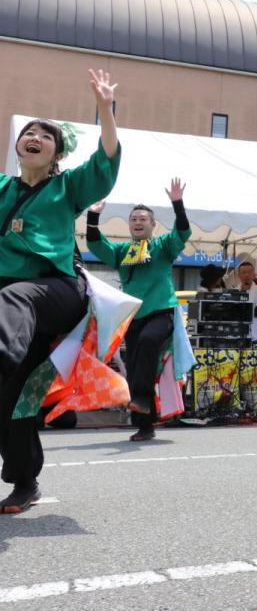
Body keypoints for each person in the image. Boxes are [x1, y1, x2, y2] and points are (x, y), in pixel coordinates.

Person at [0, 69, 121, 513]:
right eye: (28, 132)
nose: (33, 136)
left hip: (57, 292)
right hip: (10, 306)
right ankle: (24, 481)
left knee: (17, 297)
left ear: (56, 155)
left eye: (44, 135)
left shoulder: (66, 186)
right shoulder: (2, 188)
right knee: (12, 401)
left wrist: (105, 110)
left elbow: (105, 161)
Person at [85, 178, 191, 442]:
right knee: (134, 365)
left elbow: (183, 233)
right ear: (129, 224)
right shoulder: (123, 251)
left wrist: (177, 204)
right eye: (134, 219)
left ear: (153, 224)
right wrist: (92, 216)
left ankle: (143, 397)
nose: (138, 222)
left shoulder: (163, 246)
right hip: (133, 316)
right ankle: (145, 425)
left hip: (161, 312)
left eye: (143, 219)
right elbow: (97, 245)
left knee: (146, 341)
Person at [234, 261, 257, 342]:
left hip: (255, 337)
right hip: (236, 338)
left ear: (253, 274)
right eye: (244, 272)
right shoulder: (234, 291)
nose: (247, 275)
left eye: (249, 272)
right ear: (239, 275)